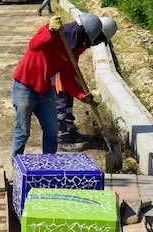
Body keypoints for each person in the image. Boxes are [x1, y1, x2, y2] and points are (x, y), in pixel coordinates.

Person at [11, 13, 94, 164]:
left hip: (45, 92)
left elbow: (67, 78)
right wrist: (49, 30)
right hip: (24, 88)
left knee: (52, 132)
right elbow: (34, 45)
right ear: (79, 32)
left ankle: (48, 165)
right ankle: (16, 167)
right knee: (23, 132)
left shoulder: (71, 51)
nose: (84, 44)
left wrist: (81, 95)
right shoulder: (55, 33)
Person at [53, 13, 119, 150]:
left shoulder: (84, 40)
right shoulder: (78, 37)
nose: (97, 43)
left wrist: (80, 90)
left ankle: (70, 131)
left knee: (68, 102)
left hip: (67, 71)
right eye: (100, 39)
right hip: (58, 74)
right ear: (96, 33)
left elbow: (73, 62)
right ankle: (61, 139)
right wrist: (79, 90)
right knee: (61, 104)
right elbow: (67, 62)